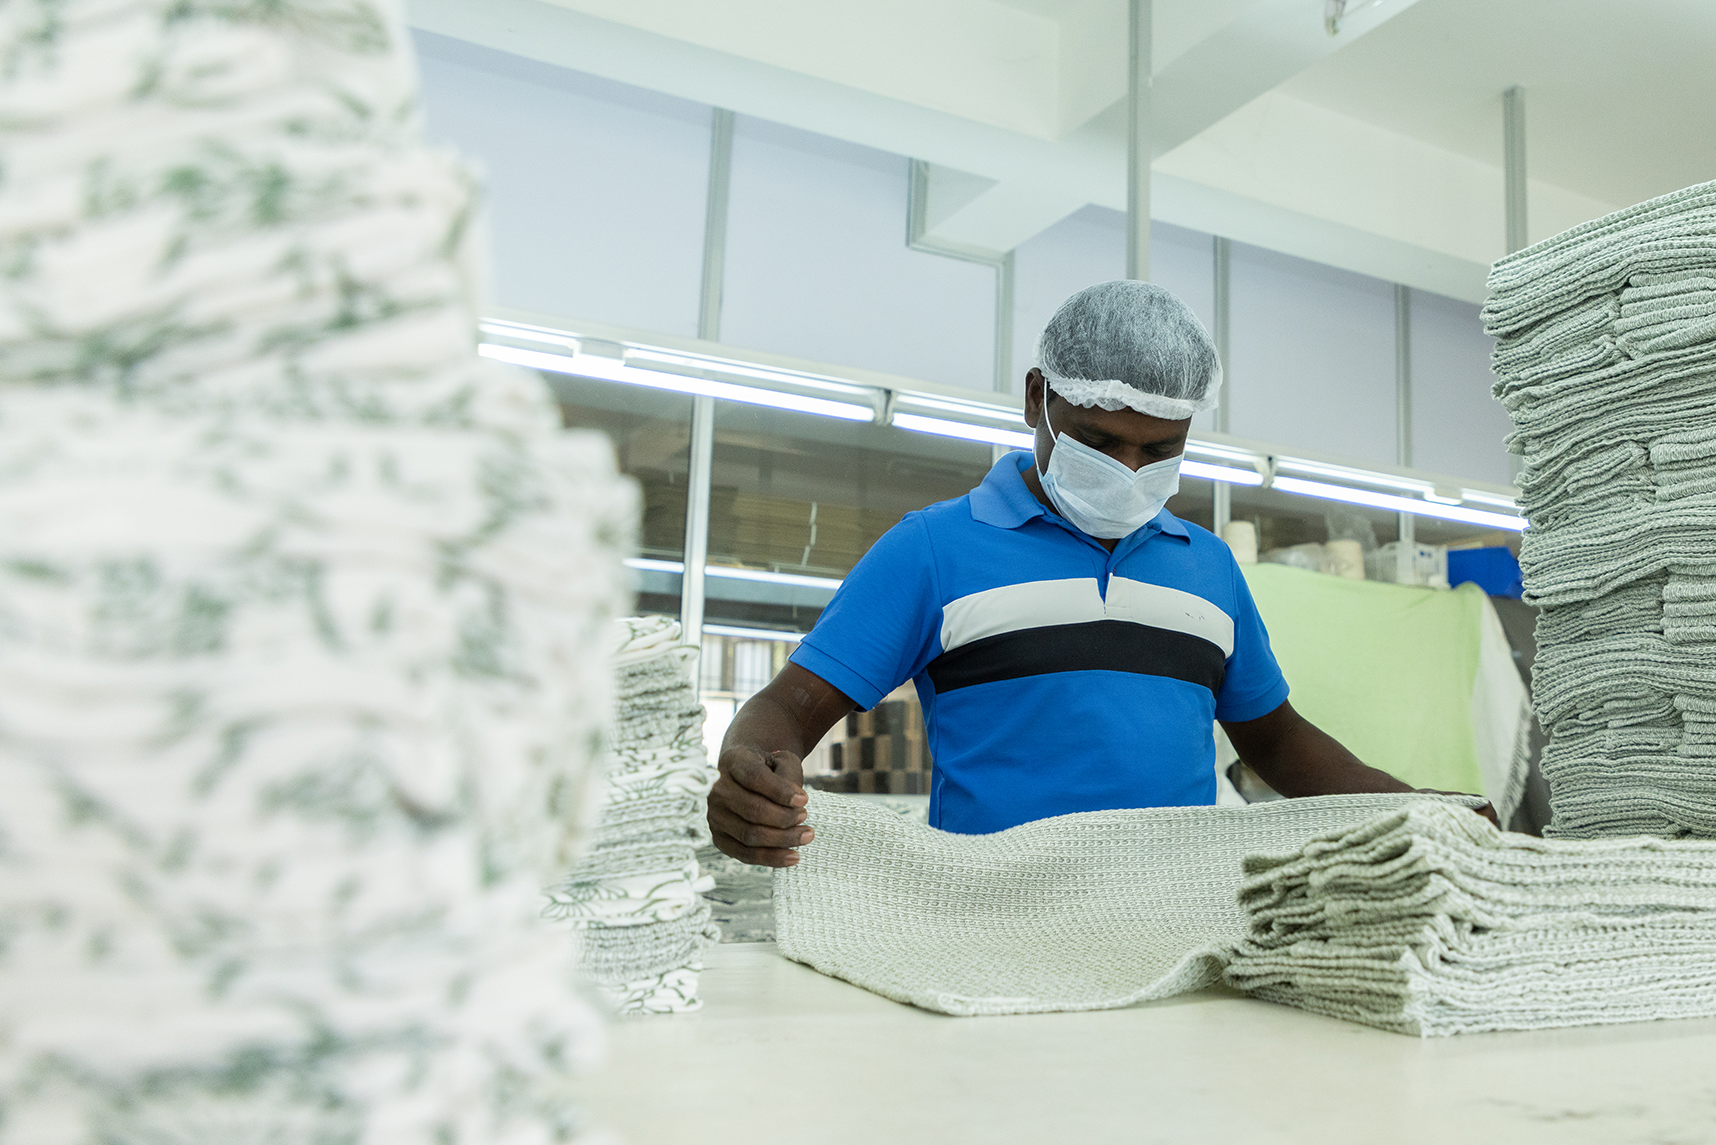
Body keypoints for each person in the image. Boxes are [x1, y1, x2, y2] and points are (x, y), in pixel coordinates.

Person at [707, 280, 1491, 866]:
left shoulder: (1209, 568)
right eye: (1097, 440)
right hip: (985, 926)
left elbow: (1279, 744)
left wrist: (1419, 809)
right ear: (1035, 399)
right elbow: (787, 708)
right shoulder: (935, 549)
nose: (1127, 470)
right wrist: (754, 770)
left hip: (1176, 918)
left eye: (1159, 451)